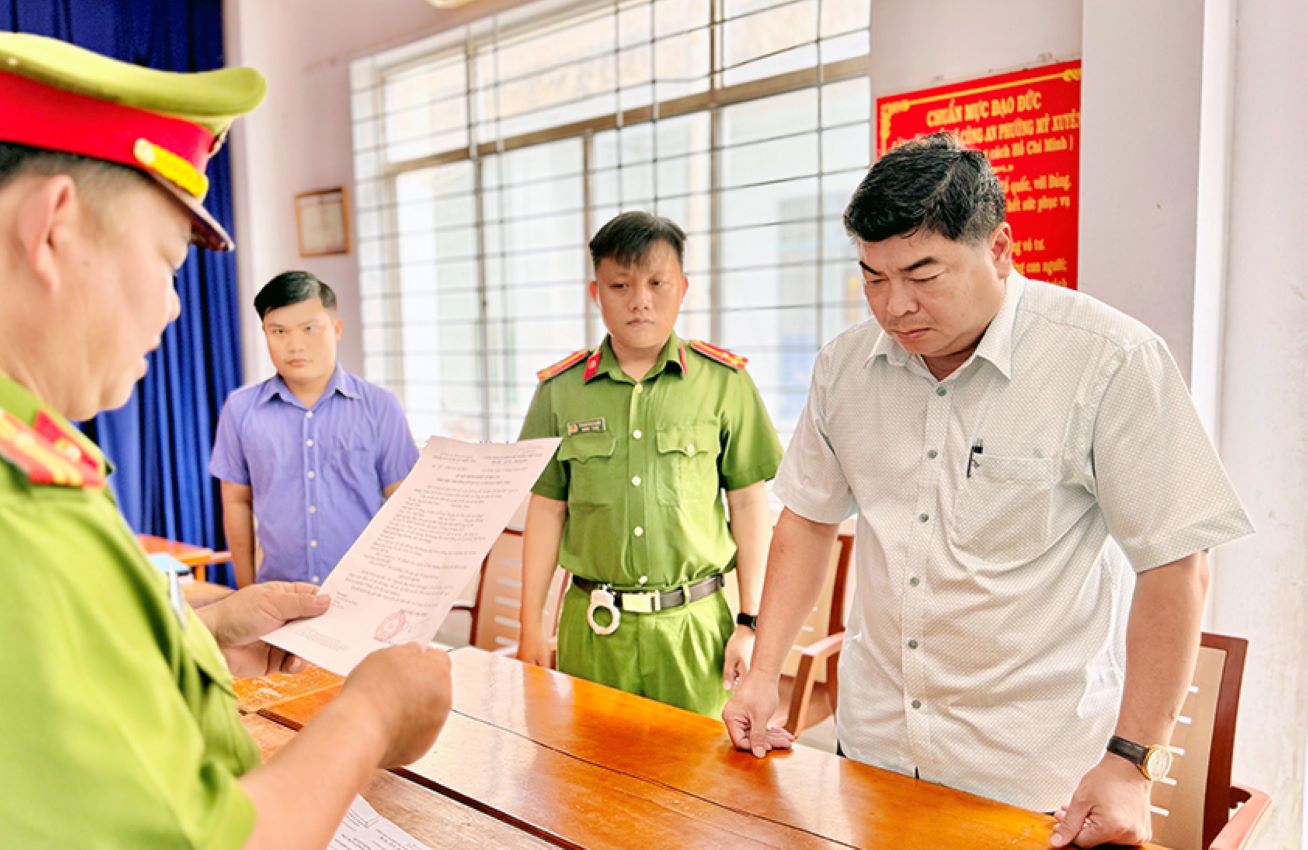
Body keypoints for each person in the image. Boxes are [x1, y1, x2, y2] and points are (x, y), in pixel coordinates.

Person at [721, 132, 1253, 848]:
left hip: (1032, 784)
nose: (895, 305)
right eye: (873, 277)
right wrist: (764, 673)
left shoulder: (1108, 361)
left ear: (1000, 249)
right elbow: (809, 521)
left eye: (923, 273)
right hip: (873, 754)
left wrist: (1132, 761)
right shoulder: (846, 369)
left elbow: (1176, 565)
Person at [0, 32, 450, 849]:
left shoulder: (36, 466)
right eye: (170, 263)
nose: (175, 310)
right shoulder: (21, 516)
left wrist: (220, 618)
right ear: (55, 229)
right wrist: (374, 713)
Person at [515, 211, 784, 718]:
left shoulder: (724, 382)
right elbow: (547, 511)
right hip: (593, 629)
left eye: (657, 283)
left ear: (682, 288)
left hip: (694, 628)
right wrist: (531, 626)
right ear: (596, 292)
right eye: (620, 284)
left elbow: (749, 505)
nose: (640, 300)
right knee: (588, 775)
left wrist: (750, 623)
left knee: (699, 783)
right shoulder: (559, 391)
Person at [211, 270, 419, 587]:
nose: (295, 345)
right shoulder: (240, 410)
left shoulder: (379, 407)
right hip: (277, 599)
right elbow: (236, 501)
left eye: (309, 328)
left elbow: (405, 508)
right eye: (278, 331)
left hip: (361, 593)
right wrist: (246, 591)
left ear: (335, 329)